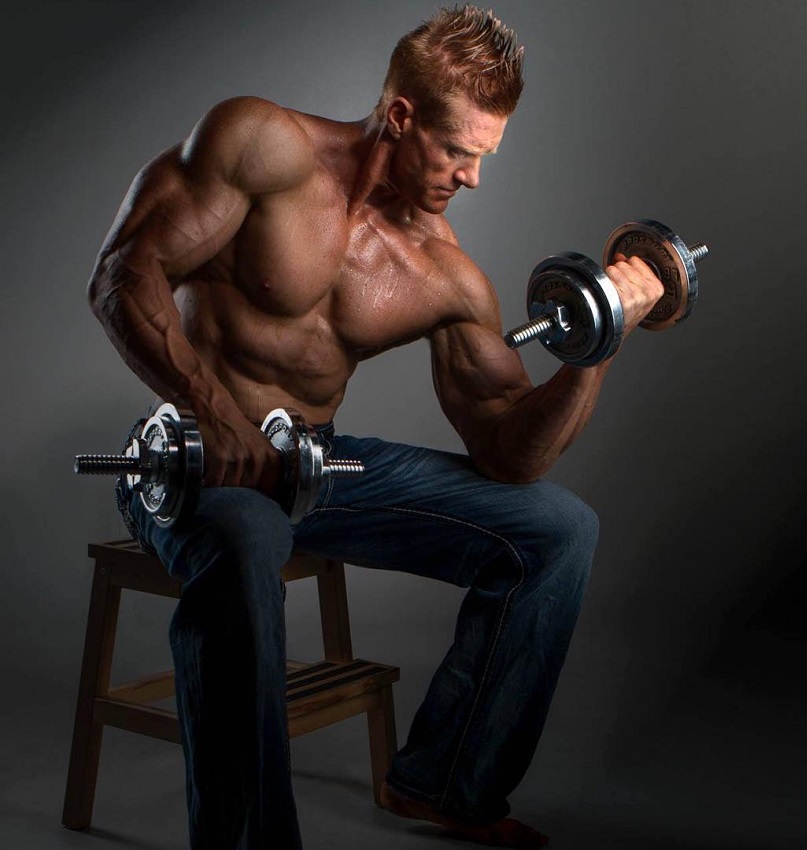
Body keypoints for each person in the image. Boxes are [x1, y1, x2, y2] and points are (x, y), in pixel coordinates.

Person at [87, 6, 664, 849]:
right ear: (400, 116)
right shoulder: (261, 145)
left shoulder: (443, 274)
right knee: (247, 540)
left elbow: (509, 453)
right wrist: (211, 411)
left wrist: (599, 338)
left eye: (485, 155)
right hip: (190, 460)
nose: (473, 177)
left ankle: (446, 782)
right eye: (460, 150)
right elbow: (123, 271)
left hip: (314, 468)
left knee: (558, 530)